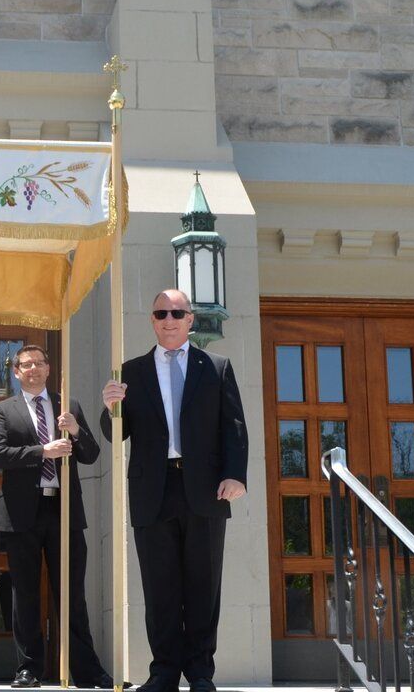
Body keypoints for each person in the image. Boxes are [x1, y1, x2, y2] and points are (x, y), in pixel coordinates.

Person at [100, 289, 248, 692]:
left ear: (190, 320)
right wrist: (109, 406)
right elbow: (117, 433)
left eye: (177, 312)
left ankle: (200, 673)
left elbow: (234, 427)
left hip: (206, 490)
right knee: (160, 588)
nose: (169, 319)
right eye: (161, 313)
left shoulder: (216, 367)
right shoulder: (130, 372)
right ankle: (163, 672)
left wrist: (236, 475)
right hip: (154, 490)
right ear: (152, 320)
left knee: (203, 586)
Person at [0, 344, 116, 690]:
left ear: (48, 368)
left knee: (72, 594)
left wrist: (75, 430)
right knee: (25, 593)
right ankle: (28, 669)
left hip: (64, 509)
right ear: (16, 372)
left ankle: (87, 671)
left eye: (39, 363)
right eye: (25, 365)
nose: (33, 369)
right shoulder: (4, 410)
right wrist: (42, 451)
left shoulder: (66, 406)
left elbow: (91, 454)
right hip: (21, 514)